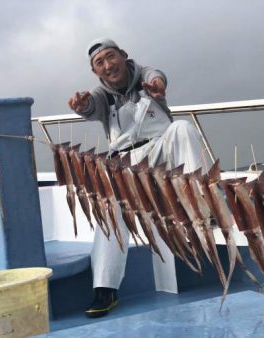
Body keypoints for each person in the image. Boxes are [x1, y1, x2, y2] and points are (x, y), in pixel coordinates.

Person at [68, 38, 206, 318]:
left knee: (181, 128)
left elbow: (157, 76)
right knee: (111, 207)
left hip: (161, 151)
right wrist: (81, 107)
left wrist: (158, 87)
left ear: (124, 56)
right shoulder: (101, 95)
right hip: (127, 165)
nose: (108, 65)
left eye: (111, 57)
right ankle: (105, 289)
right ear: (96, 72)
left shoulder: (145, 75)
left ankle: (201, 208)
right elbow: (90, 107)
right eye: (100, 63)